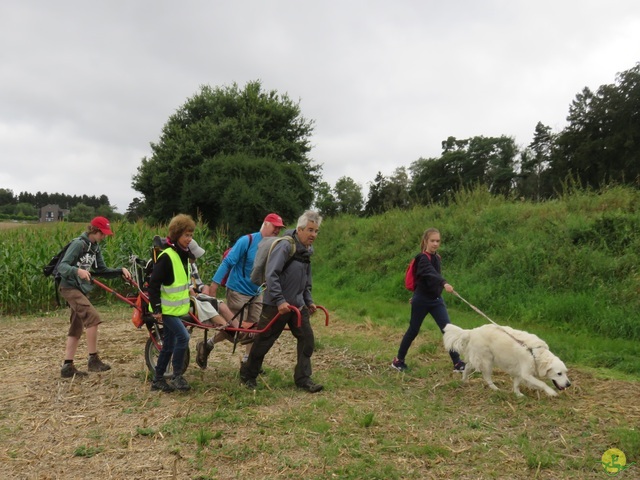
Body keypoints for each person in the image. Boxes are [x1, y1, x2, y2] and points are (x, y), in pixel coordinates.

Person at [240, 210, 323, 393]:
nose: (313, 235)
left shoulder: (307, 252)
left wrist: (308, 301)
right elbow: (272, 274)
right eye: (310, 230)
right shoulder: (285, 246)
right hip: (276, 306)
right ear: (300, 229)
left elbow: (306, 281)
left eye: (316, 231)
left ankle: (303, 378)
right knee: (264, 341)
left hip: (297, 305)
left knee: (307, 339)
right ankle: (247, 375)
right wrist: (279, 301)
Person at [195, 213, 284, 369]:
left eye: (279, 228)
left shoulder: (274, 245)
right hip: (237, 290)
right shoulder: (247, 241)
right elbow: (228, 262)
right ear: (265, 224)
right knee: (237, 330)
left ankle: (247, 361)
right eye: (275, 227)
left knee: (255, 328)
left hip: (256, 292)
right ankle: (207, 344)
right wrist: (214, 286)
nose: (277, 231)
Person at [57, 216, 132, 378]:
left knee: (76, 325)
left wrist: (120, 271)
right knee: (93, 318)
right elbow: (63, 266)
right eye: (102, 233)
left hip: (80, 289)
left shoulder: (95, 247)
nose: (104, 237)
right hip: (69, 287)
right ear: (94, 230)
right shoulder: (79, 244)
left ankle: (67, 366)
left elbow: (101, 270)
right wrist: (78, 271)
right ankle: (93, 360)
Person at [392, 228, 465, 373]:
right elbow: (429, 274)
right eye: (432, 241)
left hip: (436, 300)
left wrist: (440, 287)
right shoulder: (422, 258)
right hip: (422, 301)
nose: (436, 244)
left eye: (438, 241)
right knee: (413, 330)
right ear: (426, 241)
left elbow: (431, 279)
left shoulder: (437, 258)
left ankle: (457, 363)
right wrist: (444, 283)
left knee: (448, 330)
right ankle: (398, 361)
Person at [147, 214, 196, 393]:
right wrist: (157, 308)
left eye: (191, 235)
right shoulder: (167, 256)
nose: (189, 239)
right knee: (183, 337)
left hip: (176, 309)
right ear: (176, 235)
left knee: (168, 345)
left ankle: (158, 380)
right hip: (166, 310)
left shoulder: (183, 256)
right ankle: (176, 376)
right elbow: (153, 284)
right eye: (186, 235)